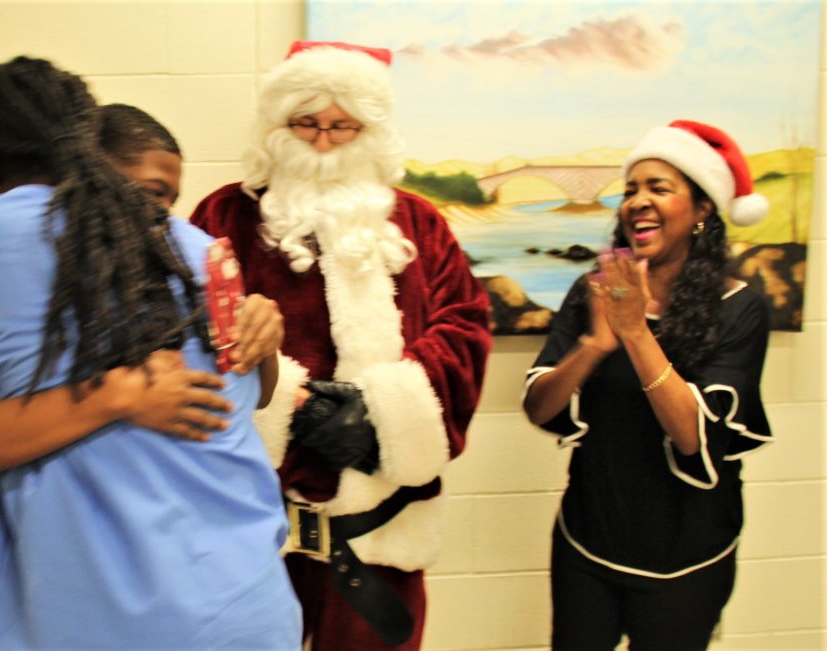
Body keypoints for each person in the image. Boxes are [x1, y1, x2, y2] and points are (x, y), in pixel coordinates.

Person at [0, 56, 301, 649]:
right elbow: (245, 397)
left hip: (110, 620)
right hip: (249, 606)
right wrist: (124, 392)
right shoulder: (196, 249)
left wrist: (117, 394)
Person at [191, 41, 493, 650]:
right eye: (306, 123)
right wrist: (293, 410)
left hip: (381, 532)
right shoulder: (223, 217)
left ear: (368, 132)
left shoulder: (420, 223)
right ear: (278, 126)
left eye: (342, 126)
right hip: (254, 523)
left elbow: (465, 327)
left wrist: (378, 415)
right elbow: (191, 336)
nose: (324, 142)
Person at [522, 120, 773, 650]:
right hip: (587, 542)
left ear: (702, 210)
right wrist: (594, 346)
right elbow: (539, 409)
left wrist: (635, 332)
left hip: (688, 558)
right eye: (631, 189)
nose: (638, 201)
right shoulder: (593, 290)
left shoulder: (741, 309)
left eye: (658, 188)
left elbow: (693, 436)